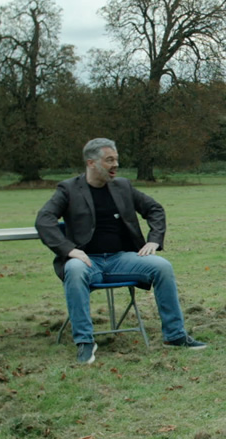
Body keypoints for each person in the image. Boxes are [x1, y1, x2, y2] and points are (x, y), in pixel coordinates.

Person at [35, 138, 205, 364]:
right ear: (91, 163)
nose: (115, 165)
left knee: (162, 266)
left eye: (116, 160)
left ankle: (175, 335)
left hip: (121, 259)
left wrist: (154, 240)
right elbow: (44, 219)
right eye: (109, 160)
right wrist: (69, 250)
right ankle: (85, 341)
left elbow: (154, 209)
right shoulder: (68, 189)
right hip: (87, 262)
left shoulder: (123, 186)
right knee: (73, 269)